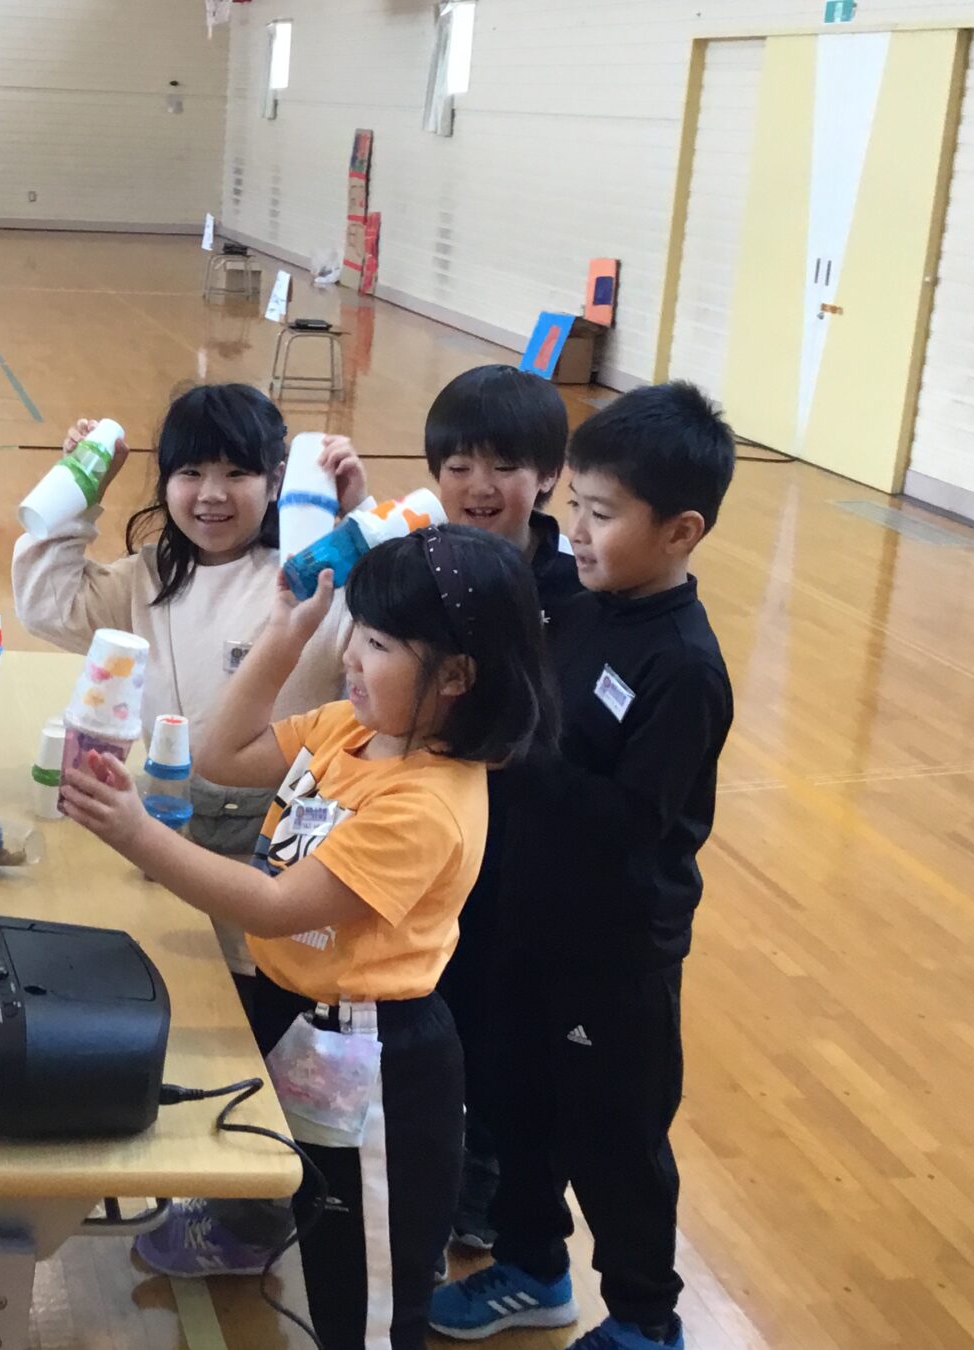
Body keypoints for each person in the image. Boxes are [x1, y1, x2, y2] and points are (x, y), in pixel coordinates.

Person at [63, 526, 556, 1349]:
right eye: (356, 635)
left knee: (358, 1287)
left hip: (375, 1063)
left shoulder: (426, 803)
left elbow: (273, 904)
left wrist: (135, 832)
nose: (354, 658)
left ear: (458, 677)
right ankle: (247, 1231)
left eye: (380, 644)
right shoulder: (354, 730)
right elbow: (222, 751)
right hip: (295, 1008)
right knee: (294, 1194)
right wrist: (287, 633)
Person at [429, 382, 736, 1350]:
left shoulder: (683, 666)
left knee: (615, 1146)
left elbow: (632, 822)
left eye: (602, 516)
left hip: (613, 958)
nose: (580, 533)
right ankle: (531, 1267)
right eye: (578, 509)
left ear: (681, 531)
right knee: (516, 1106)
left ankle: (646, 1320)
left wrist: (518, 750)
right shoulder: (582, 605)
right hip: (528, 923)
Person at [13, 384, 366, 994]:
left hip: (280, 843)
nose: (211, 494)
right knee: (167, 978)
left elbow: (405, 628)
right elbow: (47, 602)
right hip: (166, 828)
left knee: (250, 985)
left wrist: (361, 516)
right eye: (190, 472)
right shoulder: (146, 578)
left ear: (276, 480)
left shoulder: (315, 579)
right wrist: (79, 487)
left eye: (236, 473)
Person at [424, 363, 580, 1254]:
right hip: (439, 846)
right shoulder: (423, 564)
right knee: (438, 1008)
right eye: (459, 464)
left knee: (506, 1035)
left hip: (527, 862)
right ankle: (439, 1158)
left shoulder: (576, 589)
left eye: (504, 465)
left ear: (547, 474)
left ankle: (490, 1183)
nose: (479, 486)